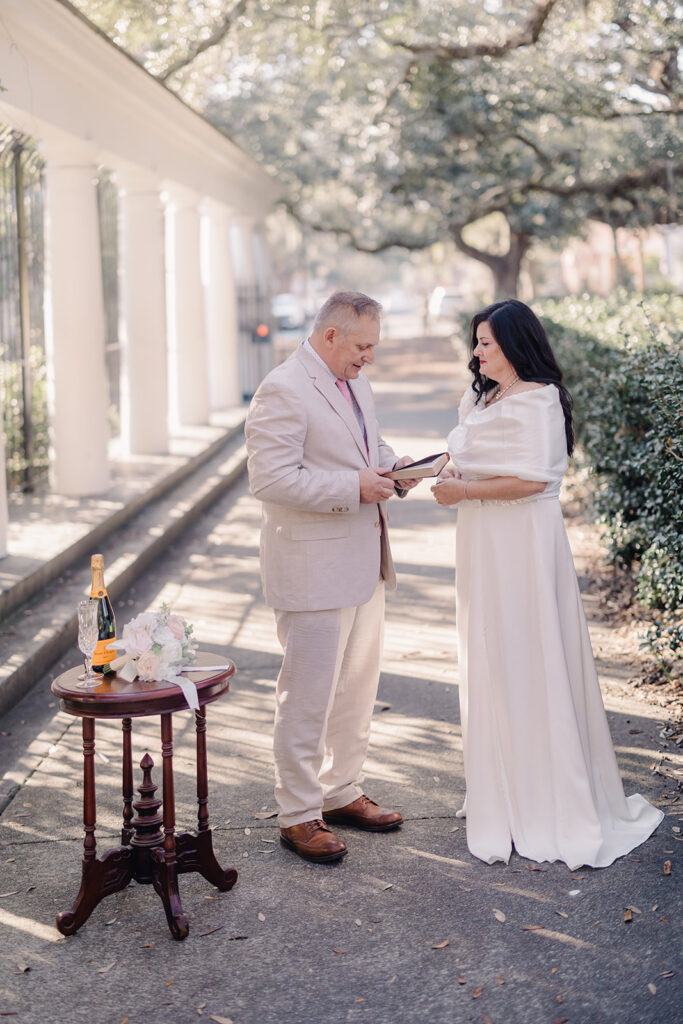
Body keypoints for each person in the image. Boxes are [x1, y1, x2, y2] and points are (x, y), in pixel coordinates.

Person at [431, 299, 663, 870]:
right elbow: (476, 456)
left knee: (529, 653)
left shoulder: (539, 400)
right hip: (484, 543)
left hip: (522, 546)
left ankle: (547, 797)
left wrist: (465, 491)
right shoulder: (483, 396)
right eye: (476, 342)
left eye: (486, 342)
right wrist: (451, 472)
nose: (477, 352)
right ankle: (504, 789)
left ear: (516, 345)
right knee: (492, 654)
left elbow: (536, 479)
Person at [245, 291, 419, 864]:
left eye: (373, 347)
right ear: (330, 337)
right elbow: (270, 480)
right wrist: (354, 488)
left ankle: (341, 791)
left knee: (355, 689)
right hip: (311, 569)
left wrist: (394, 467)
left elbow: (366, 445)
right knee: (308, 696)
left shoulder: (353, 380)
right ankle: (298, 813)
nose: (369, 357)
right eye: (363, 346)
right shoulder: (282, 389)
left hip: (364, 561)